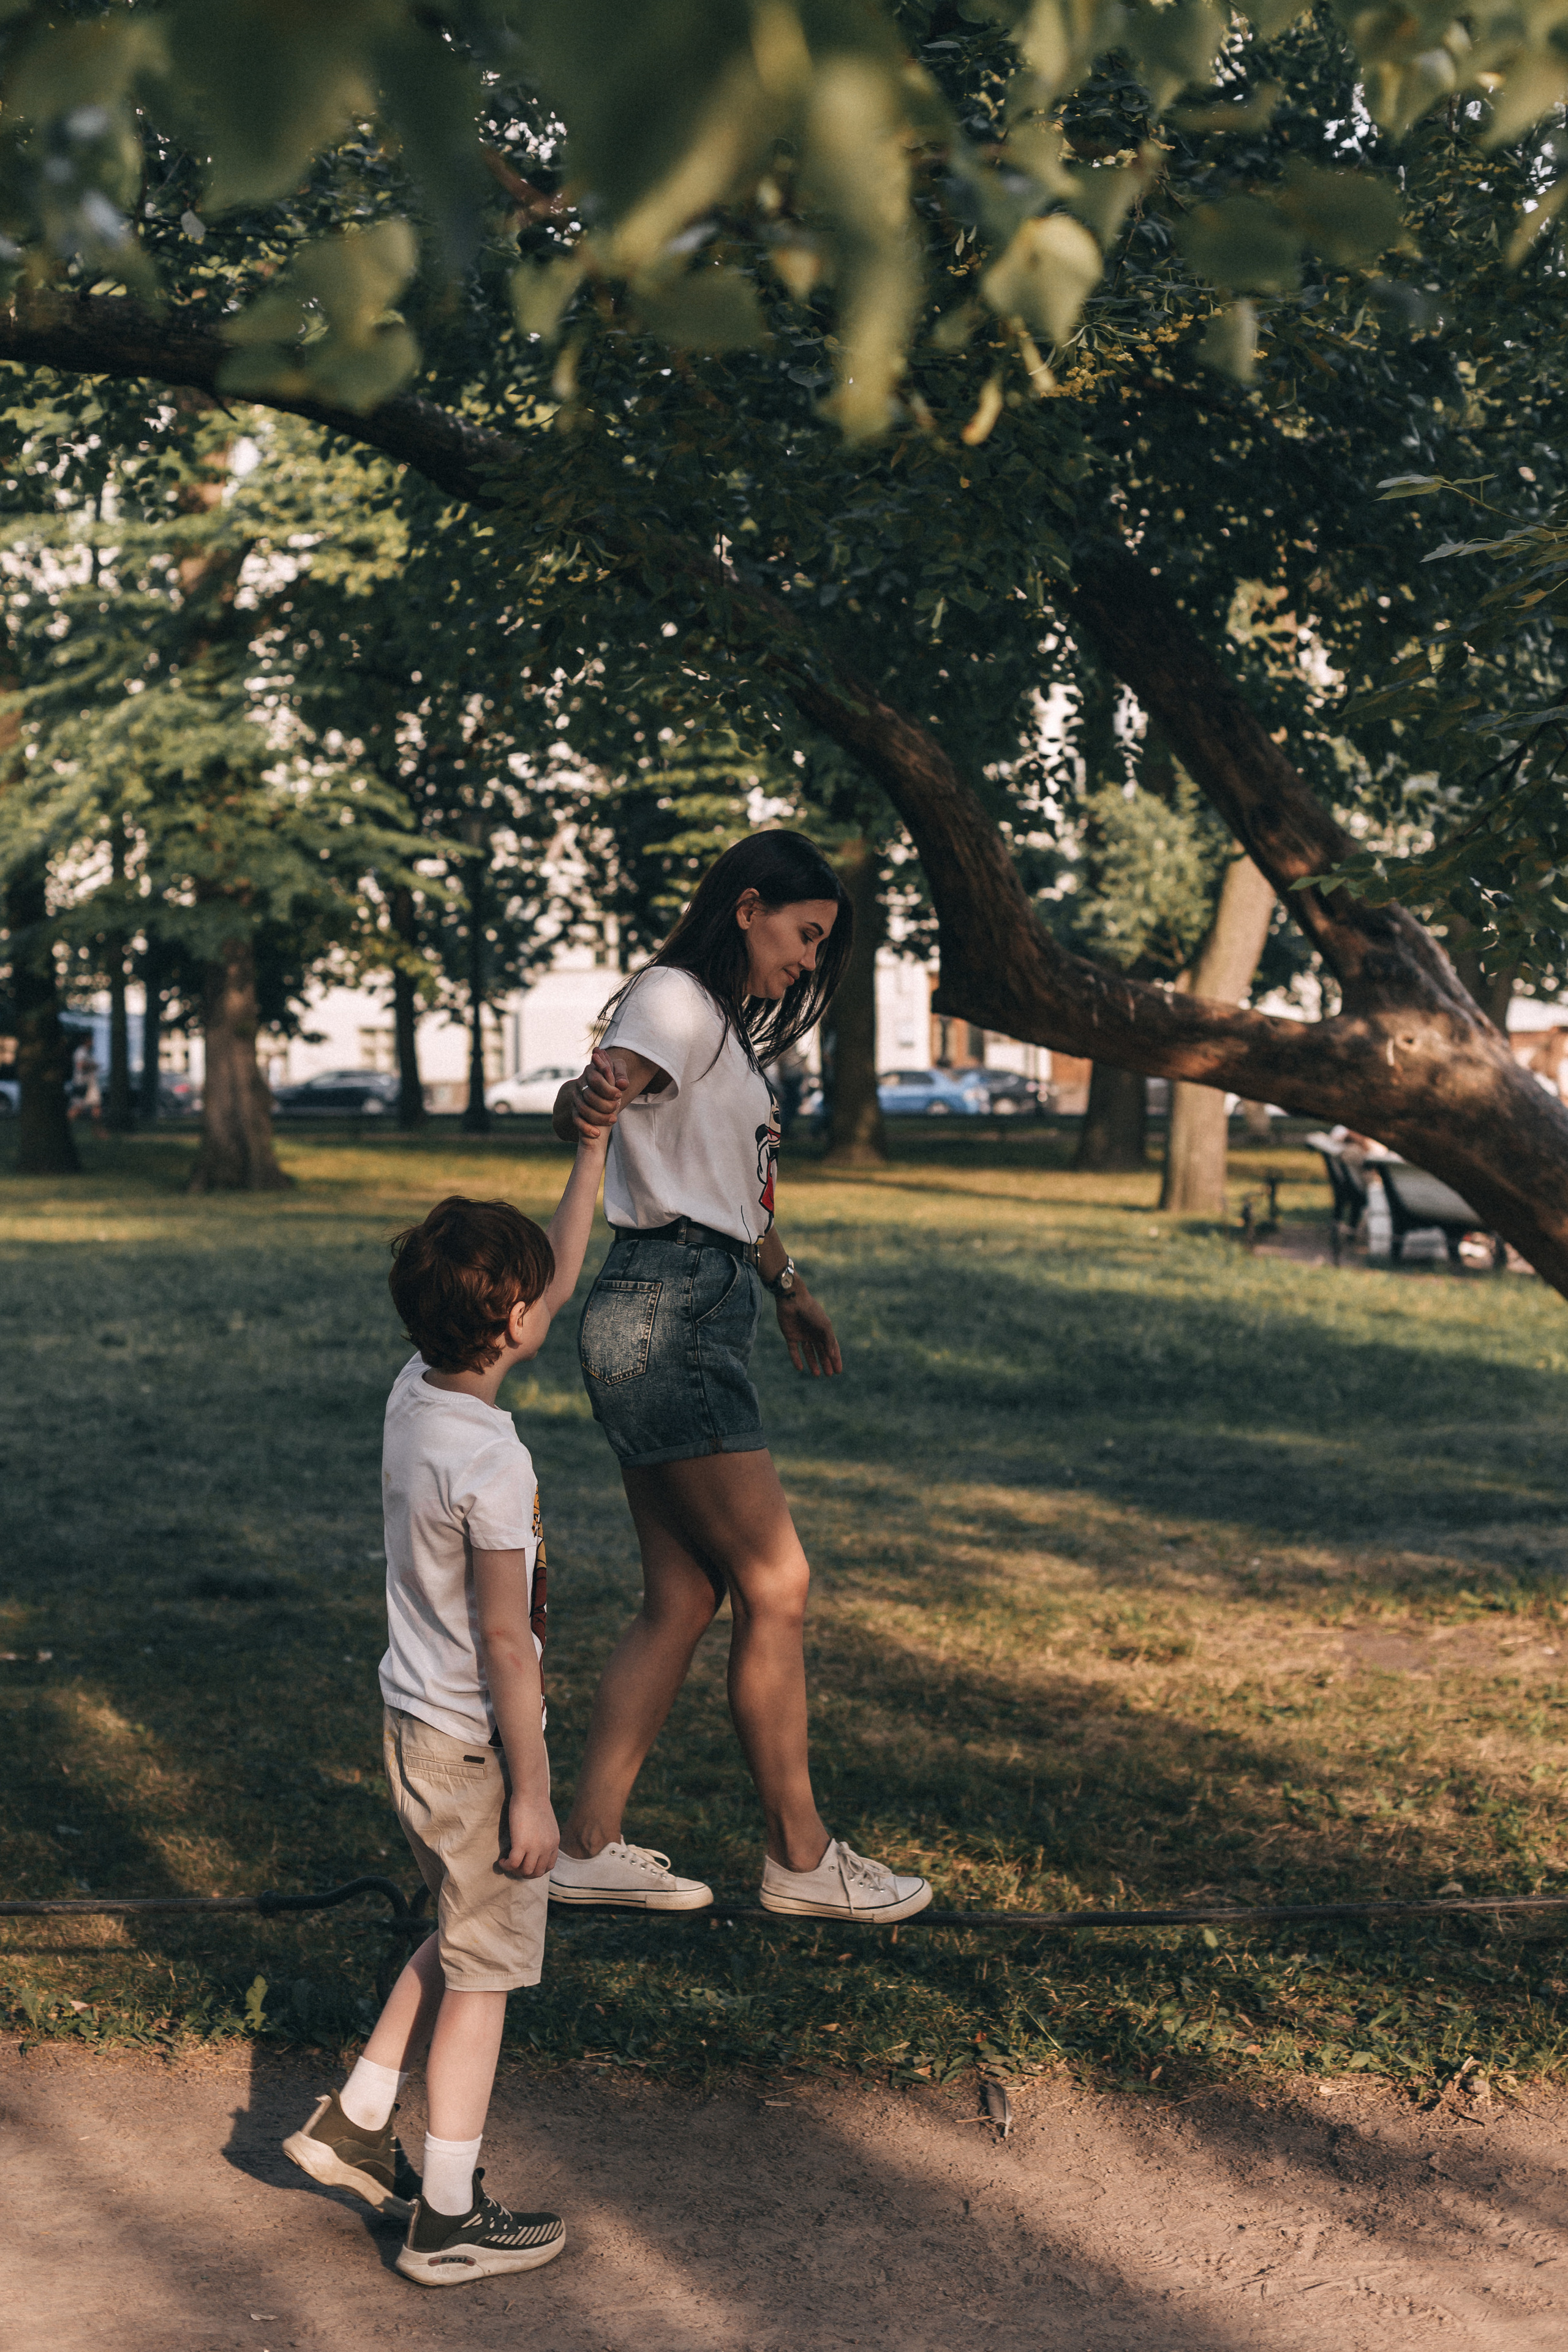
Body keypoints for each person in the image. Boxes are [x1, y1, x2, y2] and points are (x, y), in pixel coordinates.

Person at [546, 830, 932, 1927]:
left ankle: (587, 1846)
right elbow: (604, 1091)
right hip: (674, 1311)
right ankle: (802, 1859)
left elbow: (734, 1194)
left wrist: (790, 1284)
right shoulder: (673, 998)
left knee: (684, 1593)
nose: (809, 961)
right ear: (750, 906)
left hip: (672, 1300)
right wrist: (588, 1096)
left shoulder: (714, 1031)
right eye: (806, 935)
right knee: (778, 1584)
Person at [282, 1120, 608, 2290]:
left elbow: (549, 1275)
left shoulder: (415, 1392)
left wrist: (594, 1150)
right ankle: (450, 2218)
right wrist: (535, 1790)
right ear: (513, 1320)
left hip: (409, 1723)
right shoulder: (496, 1464)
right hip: (475, 1744)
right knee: (486, 1974)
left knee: (458, 1924)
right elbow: (507, 1643)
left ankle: (358, 2119)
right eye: (536, 1296)